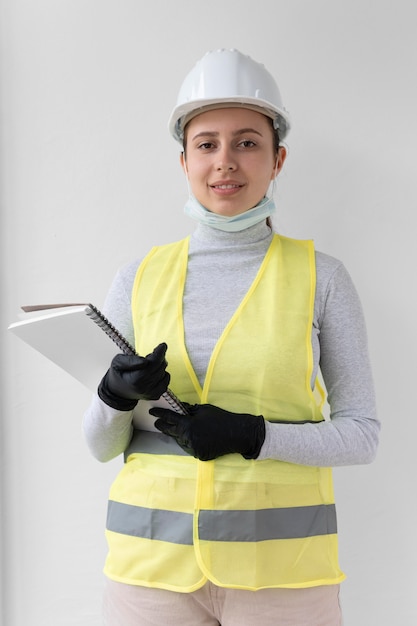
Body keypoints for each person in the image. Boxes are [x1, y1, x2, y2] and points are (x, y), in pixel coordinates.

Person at [83, 48, 380, 626]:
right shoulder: (137, 278)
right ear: (184, 160)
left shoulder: (323, 278)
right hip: (149, 574)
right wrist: (113, 396)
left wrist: (253, 435)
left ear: (277, 159)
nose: (225, 162)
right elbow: (99, 446)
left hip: (282, 578)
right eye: (206, 144)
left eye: (247, 142)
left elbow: (361, 436)